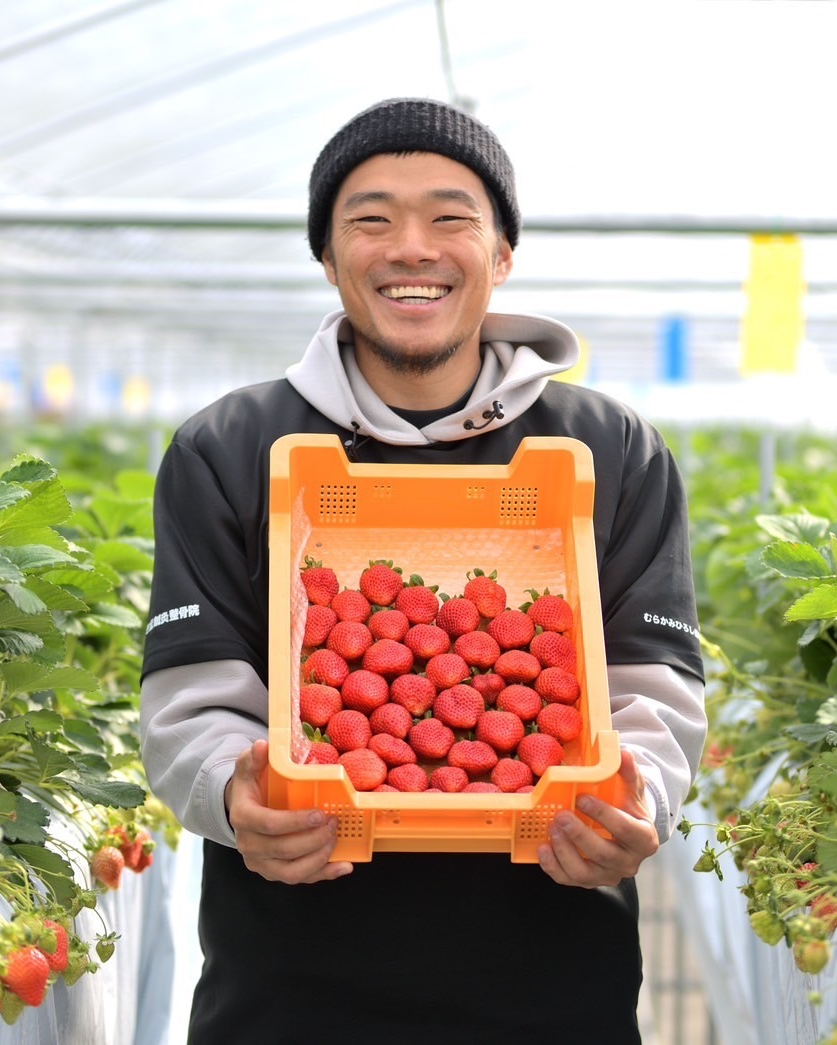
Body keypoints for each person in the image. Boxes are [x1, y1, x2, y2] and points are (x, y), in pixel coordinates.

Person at [140, 96, 708, 1044]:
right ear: (328, 257)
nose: (411, 247)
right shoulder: (227, 446)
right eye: (370, 219)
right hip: (286, 988)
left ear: (501, 253)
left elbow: (654, 692)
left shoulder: (610, 448)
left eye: (450, 217)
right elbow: (189, 699)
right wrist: (234, 796)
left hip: (553, 986)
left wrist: (631, 791)